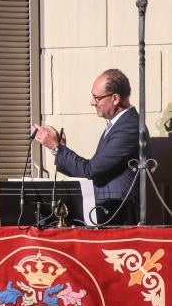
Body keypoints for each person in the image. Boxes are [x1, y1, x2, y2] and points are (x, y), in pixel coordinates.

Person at [33, 69, 146, 225]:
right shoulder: (118, 124)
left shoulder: (129, 127)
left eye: (97, 98)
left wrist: (56, 147)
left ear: (115, 98)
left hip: (118, 214)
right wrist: (59, 147)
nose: (92, 102)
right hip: (106, 210)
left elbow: (91, 169)